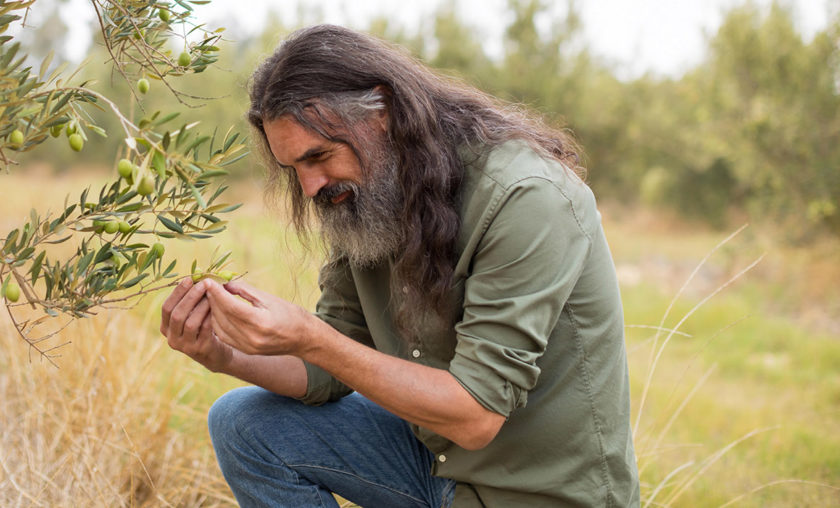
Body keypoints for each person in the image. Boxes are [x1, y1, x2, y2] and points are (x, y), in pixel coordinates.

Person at [160, 24, 639, 507]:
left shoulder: (526, 196)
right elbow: (334, 362)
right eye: (293, 169)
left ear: (383, 111)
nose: (309, 187)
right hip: (433, 464)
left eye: (319, 156)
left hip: (535, 492)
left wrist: (310, 335)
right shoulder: (370, 196)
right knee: (243, 422)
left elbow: (475, 415)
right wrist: (224, 355)